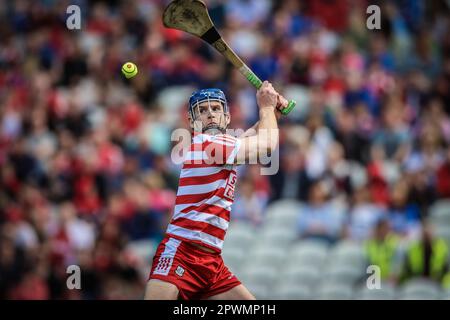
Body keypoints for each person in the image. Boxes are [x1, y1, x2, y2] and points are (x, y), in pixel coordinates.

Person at [144, 81, 288, 300]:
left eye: (215, 108)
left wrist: (273, 112)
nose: (210, 114)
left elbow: (252, 136)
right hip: (182, 253)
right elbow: (266, 144)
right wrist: (266, 106)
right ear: (193, 123)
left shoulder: (224, 145)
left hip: (211, 262)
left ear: (227, 118)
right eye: (202, 110)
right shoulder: (208, 145)